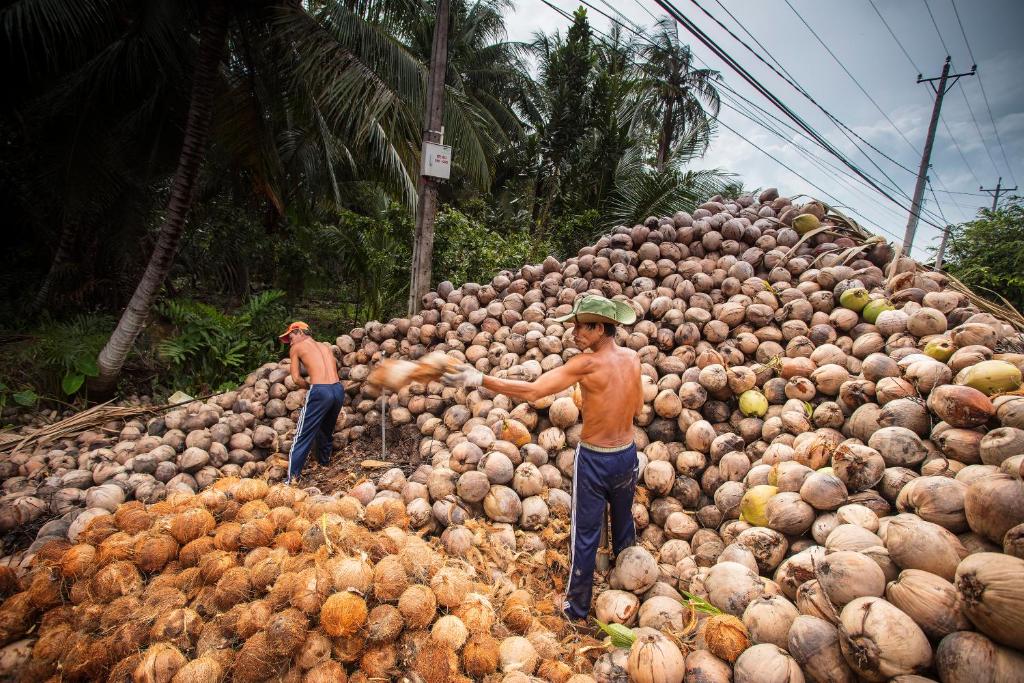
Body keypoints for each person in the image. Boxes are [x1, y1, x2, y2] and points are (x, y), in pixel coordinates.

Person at [443, 294, 643, 621]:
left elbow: (535, 392)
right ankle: (631, 591)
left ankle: (575, 609)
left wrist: (480, 378)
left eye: (581, 327)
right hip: (626, 455)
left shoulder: (585, 364)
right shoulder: (633, 359)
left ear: (600, 328)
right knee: (624, 525)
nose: (574, 333)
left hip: (595, 459)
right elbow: (637, 409)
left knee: (585, 535)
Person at [279, 321, 345, 484]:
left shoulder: (296, 348)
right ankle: (324, 462)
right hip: (337, 389)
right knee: (325, 429)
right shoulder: (324, 347)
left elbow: (295, 378)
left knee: (302, 434)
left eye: (291, 336)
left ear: (300, 332)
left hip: (320, 390)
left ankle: (291, 479)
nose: (290, 341)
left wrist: (309, 386)